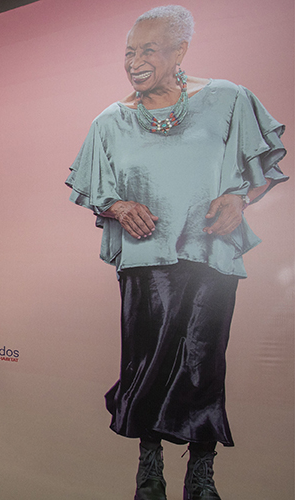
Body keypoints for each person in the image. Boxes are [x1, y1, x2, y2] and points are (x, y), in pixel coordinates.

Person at [65, 5, 287, 500]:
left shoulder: (228, 99)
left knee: (204, 359)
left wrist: (241, 199)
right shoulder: (110, 121)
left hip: (210, 255)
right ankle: (150, 464)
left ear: (180, 50)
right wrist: (118, 206)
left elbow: (263, 167)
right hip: (145, 262)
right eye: (130, 52)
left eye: (149, 50)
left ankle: (201, 470)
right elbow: (94, 191)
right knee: (146, 360)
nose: (135, 62)